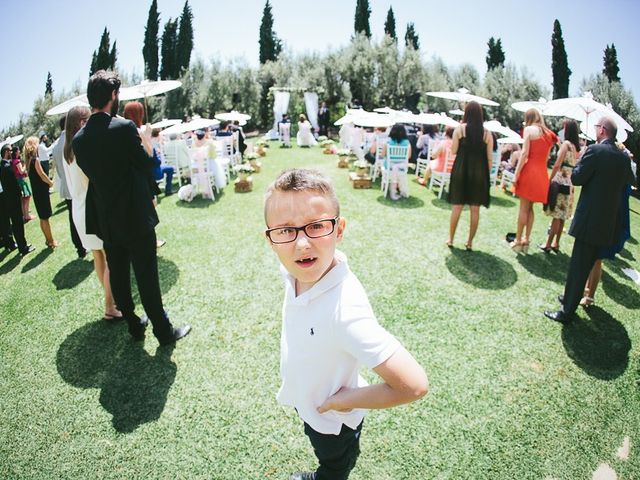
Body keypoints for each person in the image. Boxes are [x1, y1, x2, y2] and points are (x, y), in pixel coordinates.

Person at [264, 169, 428, 480]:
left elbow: (414, 385)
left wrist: (342, 401)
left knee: (335, 465)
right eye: (285, 231)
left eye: (316, 226)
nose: (301, 244)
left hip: (333, 421)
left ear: (339, 229)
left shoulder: (345, 311)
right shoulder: (301, 271)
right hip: (310, 401)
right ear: (270, 239)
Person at [72, 70, 191, 345]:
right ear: (114, 95)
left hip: (107, 219)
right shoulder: (123, 127)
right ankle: (163, 332)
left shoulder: (79, 140)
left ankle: (134, 325)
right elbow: (146, 164)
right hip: (136, 216)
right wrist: (147, 141)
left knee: (119, 275)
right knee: (147, 276)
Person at [544, 117, 635, 324]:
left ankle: (566, 311)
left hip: (589, 219)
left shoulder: (594, 150)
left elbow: (577, 178)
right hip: (608, 222)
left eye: (596, 128)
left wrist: (582, 157)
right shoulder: (623, 157)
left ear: (602, 130)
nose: (595, 131)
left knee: (578, 266)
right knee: (589, 263)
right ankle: (571, 297)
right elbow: (629, 182)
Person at [63, 106, 121, 320]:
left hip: (78, 210)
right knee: (111, 257)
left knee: (99, 256)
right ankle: (110, 305)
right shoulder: (81, 148)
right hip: (91, 209)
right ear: (81, 123)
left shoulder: (66, 151)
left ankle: (111, 299)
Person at [446, 101, 493, 250]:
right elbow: (490, 158)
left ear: (466, 113)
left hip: (461, 170)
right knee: (475, 210)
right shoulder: (487, 133)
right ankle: (470, 242)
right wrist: (487, 176)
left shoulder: (460, 130)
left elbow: (453, 151)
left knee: (457, 207)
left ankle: (451, 239)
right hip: (479, 174)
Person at [510, 108, 558, 253]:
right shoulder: (549, 134)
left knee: (523, 208)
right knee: (530, 209)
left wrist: (516, 174)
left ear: (528, 118)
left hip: (529, 171)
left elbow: (524, 154)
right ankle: (526, 239)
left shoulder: (529, 130)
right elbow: (548, 157)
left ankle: (517, 241)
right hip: (542, 173)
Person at [540, 120, 581, 253]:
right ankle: (556, 244)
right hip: (570, 184)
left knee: (556, 215)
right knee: (562, 216)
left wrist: (549, 179)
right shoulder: (575, 147)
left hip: (560, 181)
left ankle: (547, 243)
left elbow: (557, 164)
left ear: (567, 130)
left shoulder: (566, 145)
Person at [52, 116, 87, 258]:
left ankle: (79, 248)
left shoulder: (55, 147)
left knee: (73, 217)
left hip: (66, 187)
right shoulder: (73, 141)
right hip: (78, 184)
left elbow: (59, 172)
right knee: (84, 214)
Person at [24, 136, 58, 248]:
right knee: (45, 218)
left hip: (36, 192)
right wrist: (50, 183)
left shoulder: (28, 162)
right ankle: (51, 241)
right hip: (42, 192)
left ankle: (48, 240)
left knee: (42, 218)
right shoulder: (35, 160)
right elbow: (42, 175)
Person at [0, 144, 34, 255]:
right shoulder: (6, 167)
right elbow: (12, 184)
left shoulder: (2, 166)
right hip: (13, 199)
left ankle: (21, 245)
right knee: (18, 223)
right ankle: (23, 247)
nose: (12, 153)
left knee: (16, 223)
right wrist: (19, 193)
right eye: (10, 150)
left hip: (9, 199)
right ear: (6, 152)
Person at [381, 124, 412, 200]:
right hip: (402, 167)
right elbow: (408, 156)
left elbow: (382, 155)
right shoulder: (407, 143)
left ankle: (392, 190)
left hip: (389, 167)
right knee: (398, 170)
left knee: (392, 167)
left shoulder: (387, 142)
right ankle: (403, 191)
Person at [10, 146, 34, 221]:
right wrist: (24, 165)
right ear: (16, 152)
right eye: (18, 150)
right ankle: (27, 216)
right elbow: (21, 171)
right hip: (21, 181)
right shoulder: (17, 161)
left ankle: (25, 215)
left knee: (23, 199)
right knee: (27, 198)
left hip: (17, 181)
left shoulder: (12, 161)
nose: (19, 151)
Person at [150, 128, 175, 195]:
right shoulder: (153, 145)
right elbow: (157, 161)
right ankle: (168, 190)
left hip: (150, 170)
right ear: (158, 135)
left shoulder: (149, 143)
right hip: (156, 170)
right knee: (171, 168)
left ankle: (158, 184)